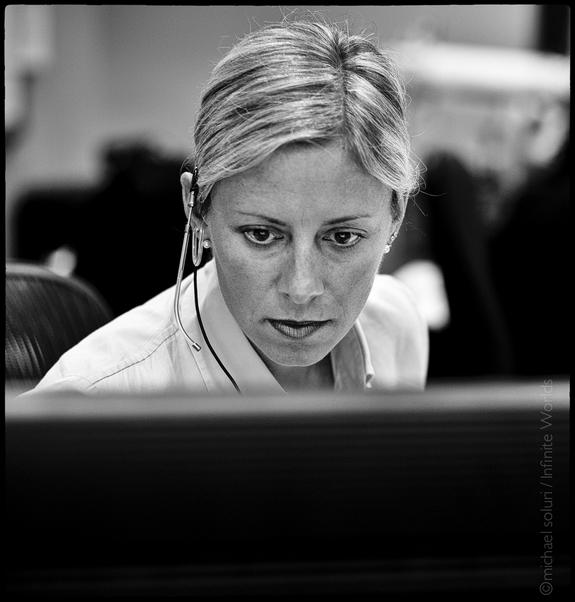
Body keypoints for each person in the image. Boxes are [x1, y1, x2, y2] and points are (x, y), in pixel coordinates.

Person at [28, 20, 428, 396]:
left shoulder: (394, 324)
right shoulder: (92, 399)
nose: (301, 289)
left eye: (342, 237)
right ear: (196, 206)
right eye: (262, 235)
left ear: (396, 212)